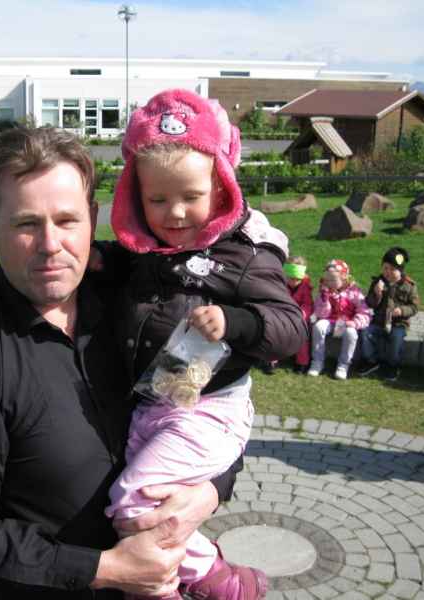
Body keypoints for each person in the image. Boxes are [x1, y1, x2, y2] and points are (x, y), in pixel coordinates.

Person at [0, 125, 243, 600]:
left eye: (67, 221)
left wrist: (210, 491)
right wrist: (106, 569)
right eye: (26, 224)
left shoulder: (146, 306)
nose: (50, 244)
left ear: (93, 219)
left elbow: (202, 410)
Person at [101, 88, 306, 600]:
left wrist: (236, 322)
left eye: (190, 197)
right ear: (136, 196)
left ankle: (176, 588)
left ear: (221, 187)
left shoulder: (245, 254)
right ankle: (223, 581)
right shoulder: (145, 250)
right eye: (156, 200)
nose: (174, 213)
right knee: (150, 508)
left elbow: (291, 327)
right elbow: (140, 280)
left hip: (209, 411)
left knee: (132, 504)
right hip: (157, 403)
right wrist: (100, 259)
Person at [357, 247, 420, 382]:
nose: (388, 272)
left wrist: (402, 310)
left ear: (400, 270)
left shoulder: (409, 285)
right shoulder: (377, 282)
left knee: (396, 339)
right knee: (366, 332)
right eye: (385, 268)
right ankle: (371, 361)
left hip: (398, 323)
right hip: (379, 321)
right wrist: (376, 294)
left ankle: (393, 365)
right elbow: (369, 303)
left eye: (393, 269)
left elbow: (414, 307)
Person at [307, 259, 371, 380]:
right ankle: (317, 361)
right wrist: (325, 300)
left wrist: (355, 322)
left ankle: (343, 365)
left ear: (344, 278)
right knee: (318, 327)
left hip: (345, 323)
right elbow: (321, 314)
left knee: (351, 333)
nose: (329, 283)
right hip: (330, 321)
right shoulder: (324, 291)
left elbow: (364, 312)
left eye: (333, 280)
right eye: (327, 279)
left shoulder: (354, 292)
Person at [283, 255, 314, 374]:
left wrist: (302, 314)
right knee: (274, 331)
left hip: (299, 317)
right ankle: (271, 360)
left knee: (302, 334)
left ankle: (302, 362)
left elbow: (308, 304)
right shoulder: (281, 285)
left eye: (297, 279)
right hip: (283, 313)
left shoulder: (305, 287)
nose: (294, 282)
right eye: (291, 278)